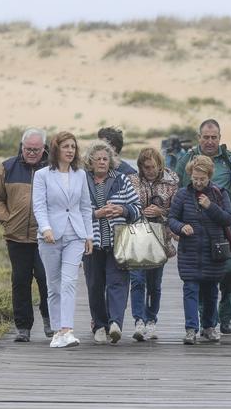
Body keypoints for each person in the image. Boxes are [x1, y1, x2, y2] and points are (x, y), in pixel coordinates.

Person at [175, 119, 231, 335]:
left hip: (224, 229)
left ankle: (225, 318)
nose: (210, 141)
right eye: (205, 137)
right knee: (199, 275)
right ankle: (206, 321)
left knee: (229, 274)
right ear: (199, 138)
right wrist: (176, 226)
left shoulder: (230, 162)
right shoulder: (186, 160)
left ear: (220, 138)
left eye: (214, 137)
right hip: (194, 230)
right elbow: (176, 189)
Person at [0, 127, 54, 342]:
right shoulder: (8, 167)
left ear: (44, 148)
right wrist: (6, 218)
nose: (32, 153)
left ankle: (49, 321)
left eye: (36, 149)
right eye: (28, 149)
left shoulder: (53, 168)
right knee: (20, 281)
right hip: (16, 236)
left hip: (44, 236)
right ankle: (23, 328)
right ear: (22, 146)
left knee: (46, 280)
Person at [32, 131, 94, 348]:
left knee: (69, 281)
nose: (70, 150)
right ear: (56, 149)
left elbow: (85, 207)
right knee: (54, 284)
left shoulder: (81, 175)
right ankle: (58, 331)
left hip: (75, 235)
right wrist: (45, 227)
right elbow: (39, 205)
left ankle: (67, 329)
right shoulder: (42, 175)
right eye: (66, 146)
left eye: (73, 147)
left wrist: (89, 235)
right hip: (50, 237)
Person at [169, 155, 231, 345]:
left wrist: (210, 206)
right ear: (190, 175)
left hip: (213, 252)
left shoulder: (219, 193)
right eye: (195, 178)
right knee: (190, 290)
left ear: (209, 176)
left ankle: (209, 327)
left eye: (202, 179)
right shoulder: (182, 194)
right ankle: (191, 329)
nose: (198, 182)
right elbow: (172, 219)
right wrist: (181, 227)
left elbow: (228, 219)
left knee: (211, 291)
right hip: (189, 252)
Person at [83, 139, 141, 344]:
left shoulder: (121, 179)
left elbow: (137, 208)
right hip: (91, 242)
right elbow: (74, 211)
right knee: (94, 285)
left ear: (111, 161)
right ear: (90, 162)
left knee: (118, 283)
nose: (101, 162)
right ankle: (99, 325)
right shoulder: (82, 180)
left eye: (105, 159)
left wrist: (122, 210)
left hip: (119, 241)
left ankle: (115, 323)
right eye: (97, 159)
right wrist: (96, 213)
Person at [127, 148, 179, 341]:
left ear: (160, 165)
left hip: (160, 238)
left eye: (153, 167)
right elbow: (126, 206)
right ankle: (138, 321)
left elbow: (176, 210)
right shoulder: (131, 181)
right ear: (140, 167)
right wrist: (139, 212)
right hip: (137, 236)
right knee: (137, 281)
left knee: (154, 284)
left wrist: (161, 212)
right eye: (145, 167)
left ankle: (152, 321)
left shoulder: (172, 181)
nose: (149, 170)